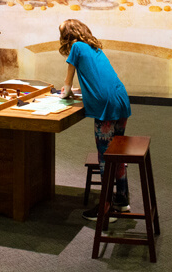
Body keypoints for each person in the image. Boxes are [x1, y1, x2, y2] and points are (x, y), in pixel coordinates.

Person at [59, 19, 131, 222]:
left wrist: (64, 94)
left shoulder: (76, 47)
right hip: (120, 98)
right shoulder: (94, 47)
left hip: (105, 106)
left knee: (105, 156)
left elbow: (67, 81)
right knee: (116, 153)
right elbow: (99, 80)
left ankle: (106, 207)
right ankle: (122, 201)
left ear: (68, 35)